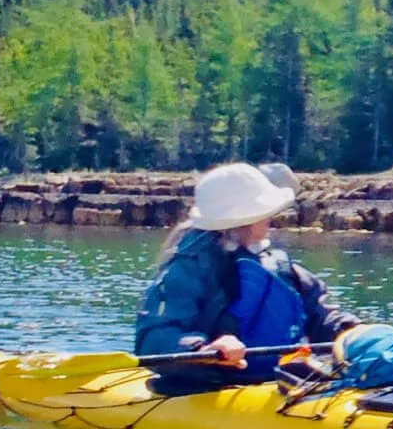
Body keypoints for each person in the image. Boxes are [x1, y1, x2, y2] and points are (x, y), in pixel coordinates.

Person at [136, 162, 360, 384]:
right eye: (265, 214)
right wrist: (204, 350)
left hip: (277, 382)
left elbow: (319, 312)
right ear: (244, 220)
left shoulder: (272, 261)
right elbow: (155, 338)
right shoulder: (187, 268)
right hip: (210, 388)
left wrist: (352, 331)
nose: (271, 219)